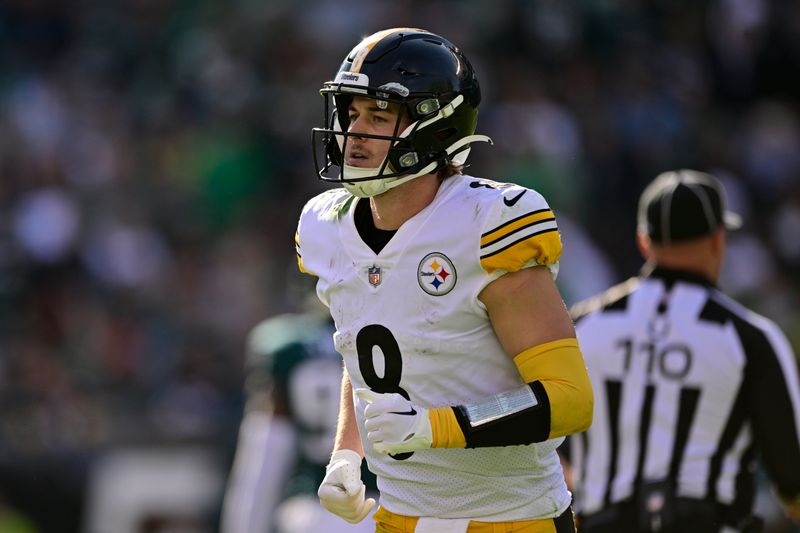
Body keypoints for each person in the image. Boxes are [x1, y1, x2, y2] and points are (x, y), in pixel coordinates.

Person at [295, 28, 593, 533]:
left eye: (379, 116)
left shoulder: (487, 223)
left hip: (514, 520)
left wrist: (436, 429)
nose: (354, 133)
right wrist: (346, 453)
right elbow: (365, 347)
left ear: (434, 127)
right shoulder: (324, 226)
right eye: (351, 115)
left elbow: (569, 398)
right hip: (400, 519)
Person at [567, 170, 800, 532]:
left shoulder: (581, 326)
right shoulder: (750, 338)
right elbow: (792, 474)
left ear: (643, 241)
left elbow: (545, 447)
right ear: (718, 240)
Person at [220, 311, 377, 533]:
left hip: (313, 515)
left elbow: (265, 462)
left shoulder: (289, 345)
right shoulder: (404, 336)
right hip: (395, 511)